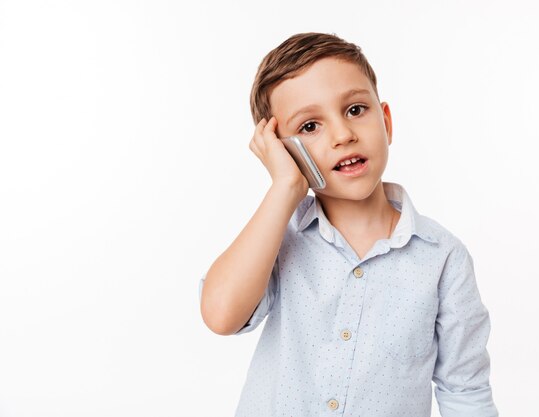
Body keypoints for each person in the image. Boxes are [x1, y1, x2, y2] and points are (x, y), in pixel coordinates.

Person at [199, 32, 498, 417]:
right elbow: (222, 315)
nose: (343, 135)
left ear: (385, 121)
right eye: (310, 126)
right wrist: (286, 184)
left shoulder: (443, 258)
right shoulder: (278, 236)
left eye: (355, 110)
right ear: (281, 149)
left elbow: (465, 390)